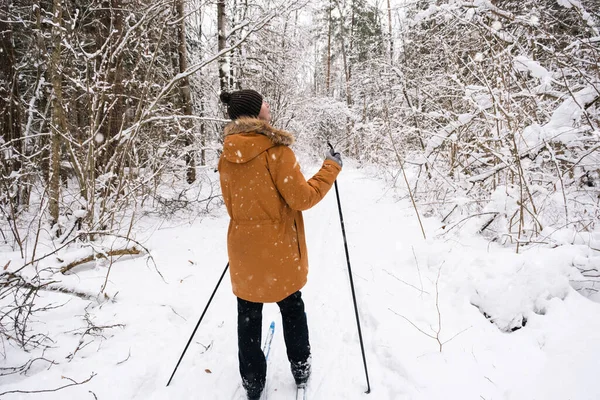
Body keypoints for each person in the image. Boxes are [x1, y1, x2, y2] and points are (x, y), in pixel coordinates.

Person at [218, 89, 342, 400]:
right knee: (291, 306)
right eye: (263, 103)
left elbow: (234, 202)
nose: (268, 105)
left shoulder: (226, 154)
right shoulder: (276, 151)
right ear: (254, 113)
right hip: (278, 249)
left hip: (244, 248)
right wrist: (330, 168)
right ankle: (300, 365)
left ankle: (252, 382)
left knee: (248, 313)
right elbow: (302, 198)